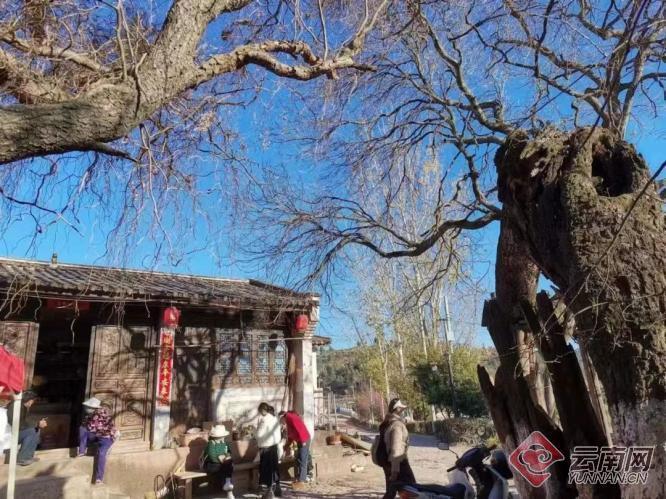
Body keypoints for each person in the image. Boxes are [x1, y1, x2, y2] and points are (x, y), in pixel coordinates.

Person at [77, 397, 118, 484]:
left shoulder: (101, 414)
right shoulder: (90, 416)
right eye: (87, 407)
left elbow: (96, 428)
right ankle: (82, 451)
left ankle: (99, 478)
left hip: (106, 438)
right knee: (82, 428)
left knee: (101, 453)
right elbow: (89, 428)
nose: (87, 409)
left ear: (94, 408)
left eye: (89, 407)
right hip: (97, 436)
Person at [381, 398, 415, 499]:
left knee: (391, 493)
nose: (402, 411)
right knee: (413, 491)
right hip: (399, 464)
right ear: (397, 409)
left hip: (389, 463)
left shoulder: (389, 422)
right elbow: (396, 449)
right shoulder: (397, 425)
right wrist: (395, 472)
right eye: (401, 408)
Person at [6, 390, 46, 466]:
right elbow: (17, 424)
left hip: (15, 432)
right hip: (10, 434)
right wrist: (37, 424)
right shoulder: (16, 406)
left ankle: (28, 456)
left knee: (36, 429)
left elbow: (27, 420)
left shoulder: (23, 407)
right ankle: (22, 458)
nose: (32, 403)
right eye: (32, 401)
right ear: (30, 401)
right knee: (31, 431)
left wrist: (38, 423)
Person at [279, 410, 311, 490]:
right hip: (300, 440)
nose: (281, 423)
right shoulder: (288, 421)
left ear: (282, 417)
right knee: (297, 459)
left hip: (304, 439)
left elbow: (300, 429)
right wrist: (285, 447)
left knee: (302, 459)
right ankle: (298, 478)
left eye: (281, 421)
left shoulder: (291, 417)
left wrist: (303, 442)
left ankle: (301, 481)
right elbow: (290, 436)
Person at [256, 402, 282, 498]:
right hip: (274, 446)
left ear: (263, 410)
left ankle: (268, 492)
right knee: (274, 468)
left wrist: (254, 431)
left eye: (260, 411)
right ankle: (277, 488)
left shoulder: (264, 420)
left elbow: (259, 435)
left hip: (266, 447)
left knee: (266, 469)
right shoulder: (274, 419)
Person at [202, 424, 234, 499]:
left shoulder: (224, 443)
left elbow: (229, 452)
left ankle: (228, 485)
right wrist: (222, 460)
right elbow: (212, 456)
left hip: (222, 465)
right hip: (210, 465)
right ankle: (229, 490)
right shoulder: (211, 444)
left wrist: (226, 457)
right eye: (222, 436)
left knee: (228, 465)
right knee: (226, 467)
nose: (223, 437)